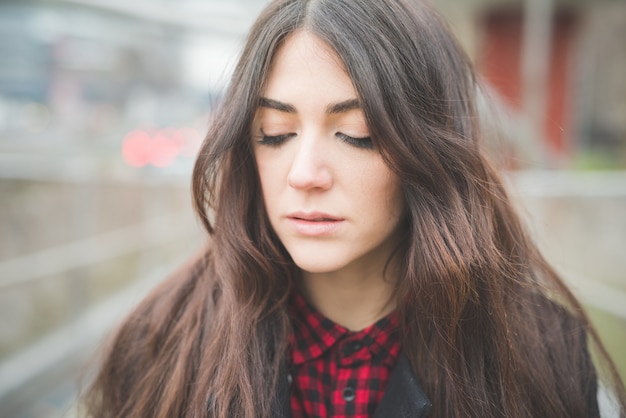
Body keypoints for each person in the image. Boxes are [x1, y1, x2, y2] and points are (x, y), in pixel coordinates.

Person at [84, 0, 626, 417]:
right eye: (275, 133)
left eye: (356, 134)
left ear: (429, 149)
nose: (304, 174)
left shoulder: (537, 354)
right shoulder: (163, 342)